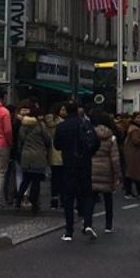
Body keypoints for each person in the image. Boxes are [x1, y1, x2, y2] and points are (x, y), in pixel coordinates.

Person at [54, 101, 100, 240]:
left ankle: (69, 231)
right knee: (87, 195)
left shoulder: (62, 127)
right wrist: (87, 154)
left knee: (68, 198)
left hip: (68, 165)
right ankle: (87, 223)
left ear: (66, 111)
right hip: (85, 164)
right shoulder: (86, 124)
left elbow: (57, 145)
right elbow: (96, 143)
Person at [15, 105, 50, 214]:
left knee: (25, 180)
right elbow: (47, 139)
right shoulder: (40, 126)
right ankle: (34, 203)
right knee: (36, 181)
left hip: (26, 155)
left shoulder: (23, 126)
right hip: (38, 155)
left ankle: (18, 200)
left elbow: (20, 141)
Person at [90, 111, 121, 233]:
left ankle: (89, 222)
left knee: (91, 198)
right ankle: (108, 225)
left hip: (93, 167)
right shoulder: (111, 137)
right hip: (107, 169)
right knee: (108, 199)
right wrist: (117, 174)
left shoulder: (91, 134)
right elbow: (115, 158)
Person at [123, 112, 140, 197]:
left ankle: (135, 190)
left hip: (132, 152)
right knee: (133, 171)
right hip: (135, 153)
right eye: (138, 118)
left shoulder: (133, 127)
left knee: (133, 171)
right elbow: (135, 141)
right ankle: (131, 191)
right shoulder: (135, 129)